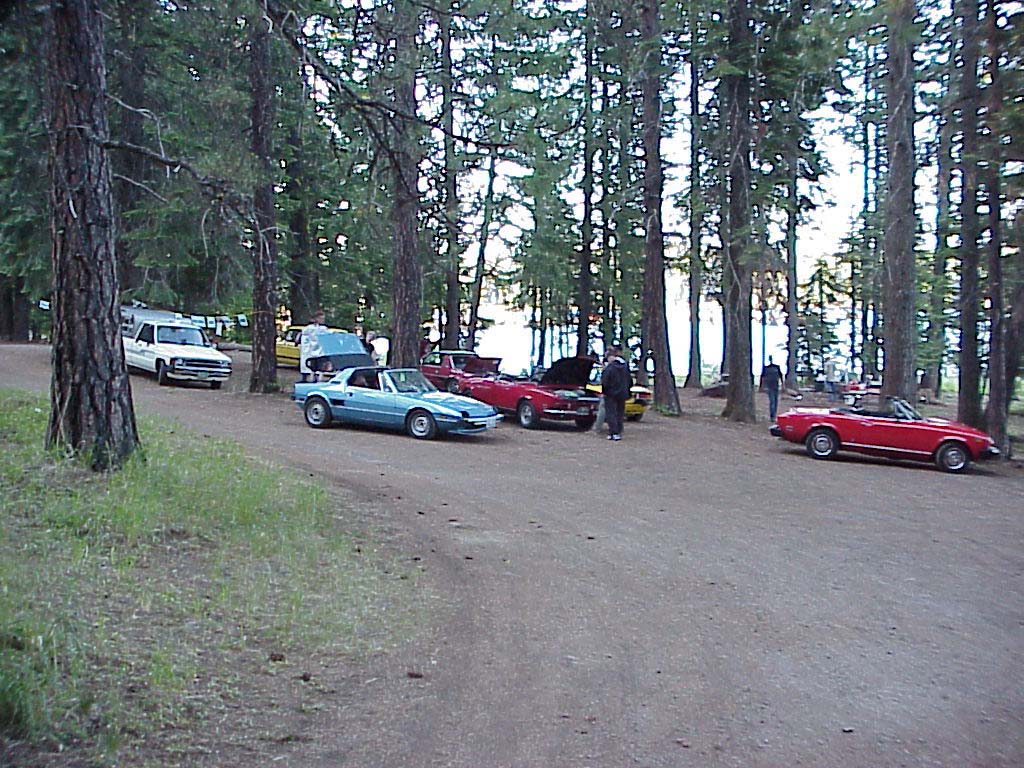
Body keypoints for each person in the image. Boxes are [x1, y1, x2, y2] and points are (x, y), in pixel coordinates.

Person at [600, 345, 630, 441]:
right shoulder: (625, 367)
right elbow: (629, 380)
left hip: (610, 394)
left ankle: (613, 432)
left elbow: (605, 381)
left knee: (611, 413)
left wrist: (604, 391)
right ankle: (618, 431)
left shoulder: (609, 368)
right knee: (620, 413)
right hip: (622, 394)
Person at [299, 309, 327, 383]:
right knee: (310, 366)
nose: (323, 320)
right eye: (321, 318)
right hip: (310, 351)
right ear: (316, 319)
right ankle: (308, 379)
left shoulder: (323, 329)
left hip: (318, 352)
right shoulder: (309, 328)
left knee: (317, 367)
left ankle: (315, 378)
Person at [761, 356, 784, 421]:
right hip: (769, 386)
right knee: (772, 401)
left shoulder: (777, 367)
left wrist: (783, 385)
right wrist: (762, 386)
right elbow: (762, 377)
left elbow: (781, 376)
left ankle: (774, 414)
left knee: (776, 401)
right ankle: (772, 416)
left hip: (776, 386)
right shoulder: (766, 368)